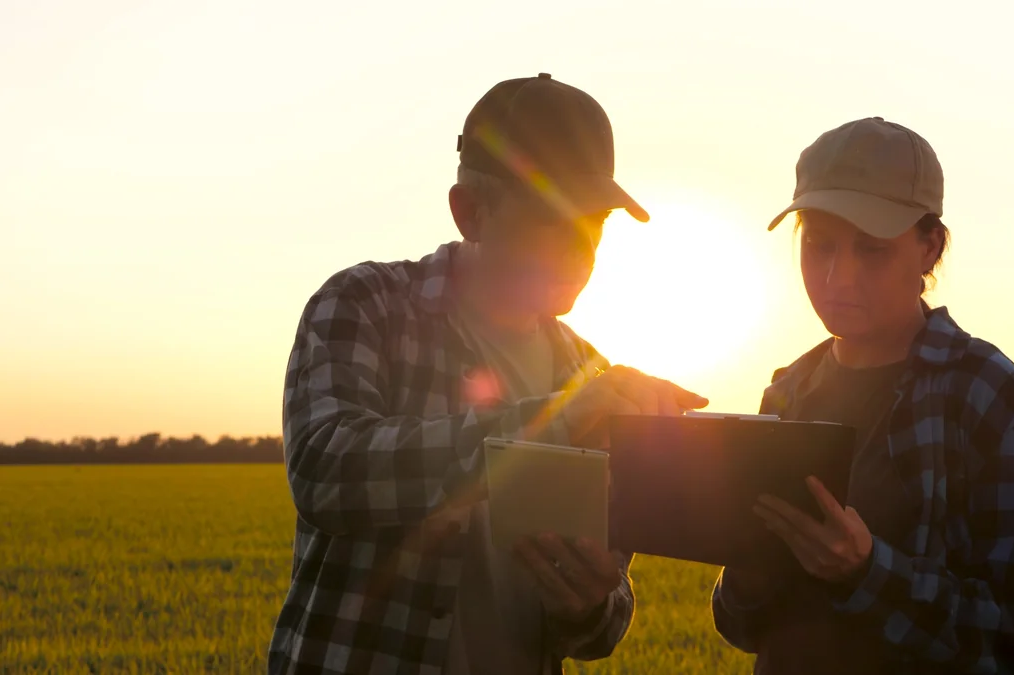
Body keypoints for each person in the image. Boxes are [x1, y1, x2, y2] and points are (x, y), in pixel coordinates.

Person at [268, 72, 708, 675]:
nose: (581, 248)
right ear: (469, 211)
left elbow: (603, 622)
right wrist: (548, 425)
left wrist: (589, 603)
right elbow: (325, 469)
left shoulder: (590, 372)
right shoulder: (365, 303)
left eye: (597, 221)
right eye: (552, 217)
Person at [710, 117, 1014, 674]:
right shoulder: (787, 392)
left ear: (929, 248)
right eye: (819, 245)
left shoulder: (988, 395)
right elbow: (741, 626)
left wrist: (867, 572)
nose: (837, 276)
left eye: (872, 250)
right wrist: (751, 570)